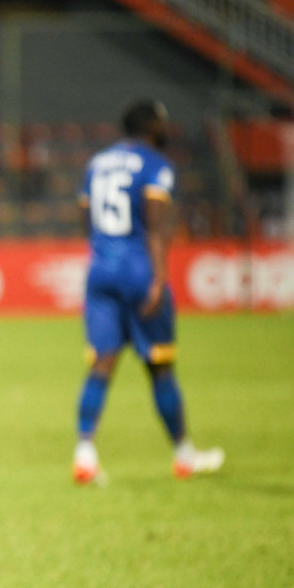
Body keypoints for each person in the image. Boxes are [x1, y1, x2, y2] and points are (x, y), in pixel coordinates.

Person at [73, 100, 223, 484]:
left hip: (101, 271)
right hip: (139, 272)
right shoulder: (155, 165)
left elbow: (85, 219)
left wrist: (104, 255)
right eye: (162, 121)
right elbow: (156, 226)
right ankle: (184, 454)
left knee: (101, 364)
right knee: (160, 367)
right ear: (151, 126)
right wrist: (158, 278)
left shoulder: (97, 164)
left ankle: (85, 453)